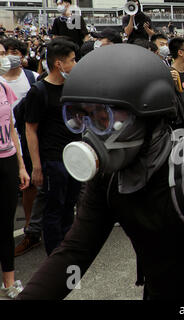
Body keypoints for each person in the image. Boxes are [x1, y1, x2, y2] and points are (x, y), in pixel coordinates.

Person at [17, 44, 184, 300]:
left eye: (104, 117)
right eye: (82, 117)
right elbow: (73, 255)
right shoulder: (109, 177)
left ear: (147, 114)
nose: (90, 133)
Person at [24, 38, 81, 256]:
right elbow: (30, 129)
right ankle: (55, 257)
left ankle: (67, 253)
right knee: (53, 210)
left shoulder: (72, 87)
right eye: (72, 60)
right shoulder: (39, 91)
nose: (75, 64)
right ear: (59, 63)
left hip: (74, 156)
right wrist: (37, 166)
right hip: (52, 159)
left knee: (69, 207)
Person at [0, 38, 41, 256]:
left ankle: (29, 228)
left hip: (23, 139)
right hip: (5, 144)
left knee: (29, 187)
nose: (9, 56)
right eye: (6, 52)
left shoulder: (32, 78)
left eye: (13, 51)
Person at [0, 49, 30, 299]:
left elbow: (11, 129)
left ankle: (8, 282)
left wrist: (21, 165)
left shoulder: (3, 87)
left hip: (8, 161)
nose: (3, 58)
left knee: (6, 224)